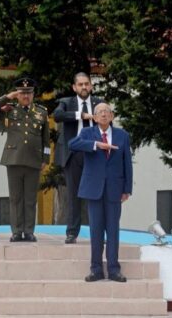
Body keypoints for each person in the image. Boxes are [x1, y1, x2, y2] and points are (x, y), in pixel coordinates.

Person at [69, 102, 131, 283]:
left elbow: (127, 163)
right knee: (96, 230)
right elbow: (72, 144)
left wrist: (127, 189)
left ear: (112, 116)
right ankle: (96, 269)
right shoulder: (88, 134)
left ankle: (113, 269)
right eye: (100, 112)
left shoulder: (122, 135)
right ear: (95, 118)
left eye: (107, 112)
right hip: (94, 189)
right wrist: (96, 145)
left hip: (114, 189)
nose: (104, 114)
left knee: (113, 230)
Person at [0, 77, 50, 242]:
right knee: (15, 198)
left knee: (30, 198)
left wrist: (45, 159)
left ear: (33, 94)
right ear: (18, 94)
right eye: (22, 93)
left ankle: (28, 231)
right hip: (13, 159)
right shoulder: (9, 110)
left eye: (29, 93)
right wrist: (8, 96)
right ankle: (16, 231)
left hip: (34, 160)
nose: (25, 96)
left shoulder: (41, 112)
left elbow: (46, 139)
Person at [53, 72, 103, 244]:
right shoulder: (66, 102)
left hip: (94, 154)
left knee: (95, 194)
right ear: (74, 87)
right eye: (80, 84)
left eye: (86, 84)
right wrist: (80, 115)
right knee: (73, 194)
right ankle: (72, 233)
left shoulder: (99, 103)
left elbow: (108, 122)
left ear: (91, 86)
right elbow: (57, 116)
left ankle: (97, 233)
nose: (84, 87)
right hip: (73, 154)